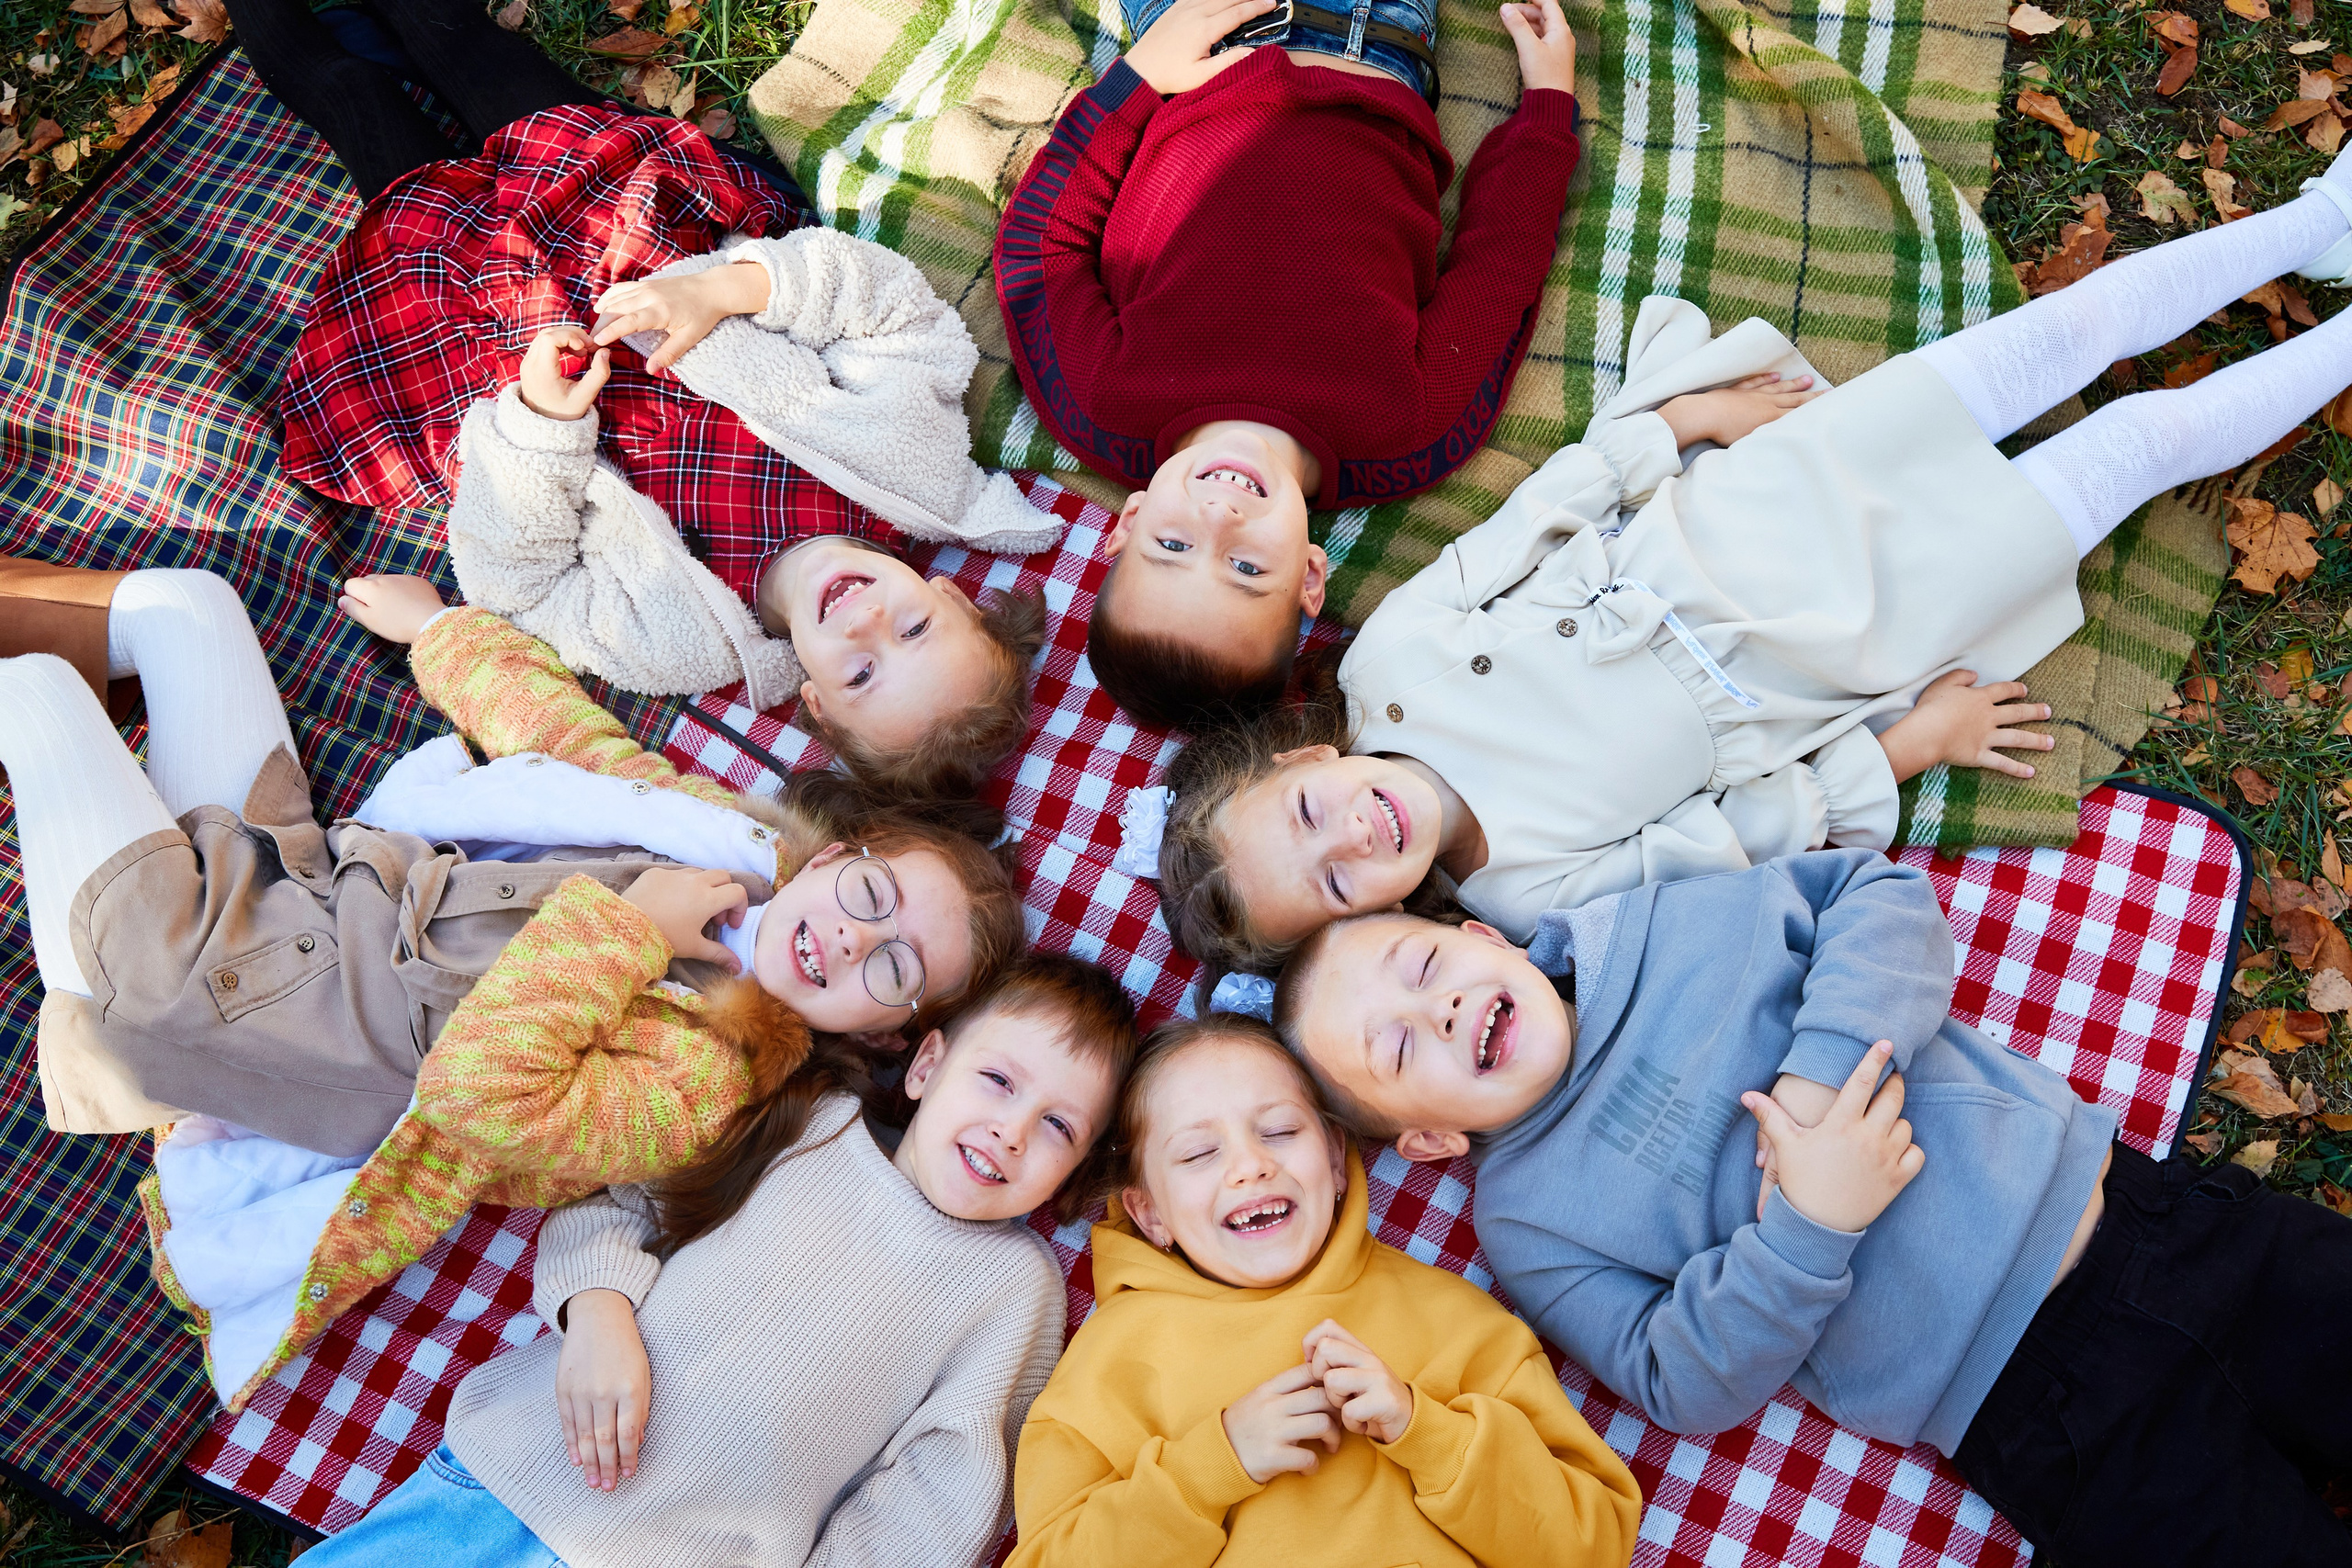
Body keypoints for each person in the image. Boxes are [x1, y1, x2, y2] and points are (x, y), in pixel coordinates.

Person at [1151, 150, 2352, 970]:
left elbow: (1535, 517)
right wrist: (1911, 744)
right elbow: (1744, 833)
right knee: (2137, 446)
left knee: (2058, 337)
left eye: (1305, 812)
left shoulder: (1391, 661)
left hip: (1749, 510)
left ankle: (2315, 221)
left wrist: (1681, 421)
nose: (1351, 835)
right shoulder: (1526, 897)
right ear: (1364, 926)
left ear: (1302, 757)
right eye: (1334, 883)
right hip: (1840, 643)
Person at [0, 563, 1023, 1408]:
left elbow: (476, 1101)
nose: (850, 938)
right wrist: (440, 632)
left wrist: (629, 930)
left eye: (893, 967)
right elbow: (579, 749)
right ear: (840, 853)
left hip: (226, 999)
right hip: (305, 879)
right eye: (872, 895)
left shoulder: (704, 1083)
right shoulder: (735, 840)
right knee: (189, 606)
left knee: (36, 695)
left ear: (885, 1036)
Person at [1272, 850, 2352, 1566]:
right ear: (1426, 1141)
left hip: (2160, 1226)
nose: (1439, 1007)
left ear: (1484, 938)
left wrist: (1815, 1080)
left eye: (1424, 964)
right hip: (2037, 1411)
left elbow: (1877, 898)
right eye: (1397, 1047)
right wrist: (1807, 1227)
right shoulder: (1527, 1226)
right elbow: (1675, 1379)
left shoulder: (1654, 924)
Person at [222, 0, 1058, 802]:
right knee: (458, 40)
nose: (867, 619)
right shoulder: (913, 465)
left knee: (353, 97)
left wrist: (542, 423)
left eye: (863, 673)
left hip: (487, 329)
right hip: (625, 232)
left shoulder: (678, 648)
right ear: (953, 596)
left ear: (817, 704)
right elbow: (897, 313)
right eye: (915, 629)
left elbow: (517, 582)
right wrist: (726, 291)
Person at [289, 951, 1142, 1568]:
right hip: (514, 1477)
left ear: (1077, 1170)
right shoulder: (809, 1120)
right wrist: (598, 1310)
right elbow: (621, 1193)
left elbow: (938, 1497)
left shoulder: (1013, 1288)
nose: (1012, 1129)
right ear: (927, 1065)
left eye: (1058, 1125)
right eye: (999, 1080)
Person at [993, 0, 1583, 730]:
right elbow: (1500, 267)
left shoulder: (1101, 403)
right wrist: (1548, 108)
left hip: (1204, 39)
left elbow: (1039, 247)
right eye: (1246, 569)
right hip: (1378, 39)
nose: (1220, 519)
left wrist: (1135, 79)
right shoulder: (1407, 435)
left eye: (1172, 546)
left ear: (1130, 522)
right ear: (1309, 574)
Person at [1006, 1015, 1642, 1566]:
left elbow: (1593, 1546)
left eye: (1280, 1131)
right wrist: (1208, 1469)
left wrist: (1427, 1433)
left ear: (1336, 1158)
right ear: (1149, 1214)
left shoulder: (1459, 1321)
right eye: (1198, 1153)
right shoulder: (1105, 1369)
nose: (1250, 1165)